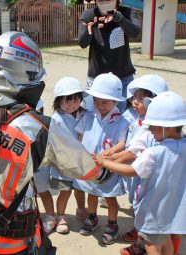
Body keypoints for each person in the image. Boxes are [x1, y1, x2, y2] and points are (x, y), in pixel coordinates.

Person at [0, 31, 112, 255]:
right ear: (27, 73)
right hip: (11, 238)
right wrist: (102, 173)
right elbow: (81, 164)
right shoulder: (36, 125)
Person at [95, 91, 186, 255]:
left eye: (153, 125)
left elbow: (131, 171)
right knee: (165, 239)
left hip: (155, 209)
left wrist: (104, 162)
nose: (150, 129)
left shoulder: (154, 153)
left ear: (168, 127)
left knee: (152, 245)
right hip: (172, 208)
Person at [74, 72, 129, 245]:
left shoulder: (122, 121)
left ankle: (112, 224)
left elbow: (122, 142)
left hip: (109, 166)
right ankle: (92, 217)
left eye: (104, 102)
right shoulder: (89, 115)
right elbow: (80, 136)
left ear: (115, 101)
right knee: (91, 192)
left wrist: (112, 150)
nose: (100, 105)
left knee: (110, 195)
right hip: (90, 164)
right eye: (96, 101)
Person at [35, 77, 88, 235]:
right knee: (65, 191)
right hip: (63, 164)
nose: (72, 104)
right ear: (58, 101)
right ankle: (60, 217)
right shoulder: (56, 120)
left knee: (80, 188)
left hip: (81, 162)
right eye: (67, 100)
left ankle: (81, 209)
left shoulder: (85, 114)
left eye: (76, 99)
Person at [79, 0, 140, 112]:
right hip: (96, 79)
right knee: (93, 116)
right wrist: (90, 30)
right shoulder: (89, 15)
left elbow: (135, 33)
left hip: (123, 78)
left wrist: (119, 18)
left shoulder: (127, 12)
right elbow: (82, 43)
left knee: (123, 117)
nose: (104, 1)